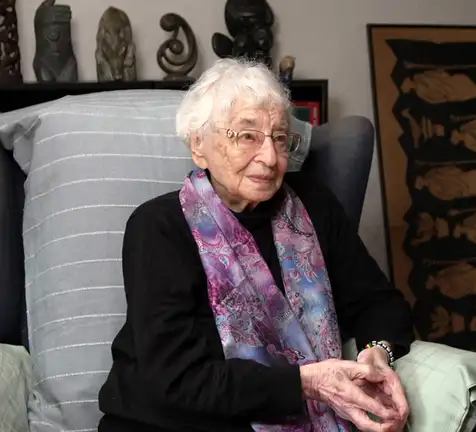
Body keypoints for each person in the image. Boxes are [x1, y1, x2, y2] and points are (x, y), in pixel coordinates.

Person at [97, 58, 416, 432]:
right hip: (170, 424)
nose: (270, 158)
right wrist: (308, 383)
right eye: (247, 136)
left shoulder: (313, 205)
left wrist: (377, 353)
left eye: (279, 138)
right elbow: (178, 380)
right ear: (199, 145)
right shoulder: (159, 228)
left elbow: (378, 302)